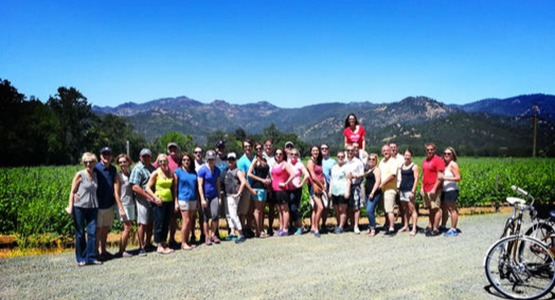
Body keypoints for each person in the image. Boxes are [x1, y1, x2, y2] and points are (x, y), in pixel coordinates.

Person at [65, 152, 102, 266]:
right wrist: (70, 207)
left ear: (95, 163)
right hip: (80, 207)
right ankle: (81, 258)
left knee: (92, 232)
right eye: (86, 162)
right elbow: (72, 192)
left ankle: (91, 257)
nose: (88, 164)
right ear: (83, 163)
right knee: (80, 233)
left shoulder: (96, 175)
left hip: (93, 207)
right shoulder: (80, 174)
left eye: (91, 162)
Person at [146, 154, 176, 254]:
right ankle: (159, 245)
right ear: (158, 163)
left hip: (169, 200)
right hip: (159, 202)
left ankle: (164, 243)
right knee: (159, 223)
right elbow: (147, 188)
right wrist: (155, 198)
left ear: (167, 162)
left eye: (165, 161)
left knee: (166, 223)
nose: (163, 163)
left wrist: (175, 201)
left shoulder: (170, 173)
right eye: (161, 161)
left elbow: (173, 189)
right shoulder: (156, 173)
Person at [129, 148, 156, 256]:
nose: (146, 158)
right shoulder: (138, 168)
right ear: (140, 157)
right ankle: (141, 246)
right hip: (142, 199)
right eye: (144, 156)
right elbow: (135, 186)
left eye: (148, 156)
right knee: (142, 222)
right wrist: (147, 196)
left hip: (152, 198)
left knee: (150, 222)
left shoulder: (152, 168)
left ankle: (148, 243)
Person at [95, 147, 117, 260]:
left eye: (108, 154)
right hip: (98, 205)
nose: (106, 156)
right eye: (104, 154)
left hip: (109, 204)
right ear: (100, 156)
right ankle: (96, 252)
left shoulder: (113, 169)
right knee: (98, 230)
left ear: (112, 156)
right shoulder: (96, 168)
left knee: (105, 229)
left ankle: (103, 250)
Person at [174, 152, 198, 250]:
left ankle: (187, 241)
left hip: (193, 198)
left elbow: (196, 187)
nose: (186, 161)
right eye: (184, 160)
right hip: (183, 199)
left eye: (188, 160)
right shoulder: (177, 172)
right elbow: (175, 188)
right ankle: (183, 243)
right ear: (181, 161)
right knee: (186, 221)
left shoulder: (193, 172)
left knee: (190, 220)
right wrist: (176, 201)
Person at [224, 152, 250, 243]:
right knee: (229, 215)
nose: (231, 161)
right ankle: (233, 232)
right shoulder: (228, 170)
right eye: (229, 159)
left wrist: (238, 193)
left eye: (232, 159)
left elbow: (243, 181)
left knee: (233, 215)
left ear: (235, 161)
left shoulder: (237, 170)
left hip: (233, 196)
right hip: (228, 194)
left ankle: (241, 234)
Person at [198, 150, 222, 245]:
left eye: (213, 159)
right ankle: (207, 236)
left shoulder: (217, 170)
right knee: (205, 217)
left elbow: (218, 184)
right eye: (209, 159)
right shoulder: (202, 170)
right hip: (206, 196)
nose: (211, 161)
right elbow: (200, 185)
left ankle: (213, 234)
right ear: (207, 159)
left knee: (215, 216)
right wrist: (202, 199)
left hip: (214, 195)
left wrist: (219, 197)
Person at [420, 143, 445, 237]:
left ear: (434, 150)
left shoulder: (438, 160)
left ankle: (435, 228)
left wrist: (434, 189)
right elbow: (424, 176)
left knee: (436, 208)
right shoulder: (425, 161)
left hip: (435, 189)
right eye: (427, 150)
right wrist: (422, 187)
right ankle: (430, 226)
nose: (429, 151)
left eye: (431, 149)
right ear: (425, 150)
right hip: (426, 189)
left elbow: (440, 177)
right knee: (430, 209)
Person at [247, 143, 271, 238]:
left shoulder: (264, 160)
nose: (259, 150)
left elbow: (266, 172)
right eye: (257, 149)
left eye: (260, 148)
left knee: (261, 210)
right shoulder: (255, 160)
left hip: (264, 187)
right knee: (257, 210)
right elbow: (249, 173)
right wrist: (261, 180)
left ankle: (261, 229)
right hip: (257, 186)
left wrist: (268, 179)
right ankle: (258, 230)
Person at [114, 154, 135, 257]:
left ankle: (122, 249)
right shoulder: (118, 176)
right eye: (120, 162)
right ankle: (121, 251)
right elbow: (116, 194)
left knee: (128, 227)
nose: (122, 164)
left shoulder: (130, 174)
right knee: (127, 227)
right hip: (123, 204)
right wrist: (120, 208)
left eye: (124, 161)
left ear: (128, 162)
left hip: (131, 203)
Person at [271, 148, 295, 236]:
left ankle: (285, 228)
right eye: (277, 154)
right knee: (279, 210)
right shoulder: (274, 164)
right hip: (275, 189)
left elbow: (293, 174)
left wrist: (285, 183)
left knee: (285, 209)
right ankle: (280, 228)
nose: (278, 155)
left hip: (283, 190)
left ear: (283, 155)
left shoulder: (285, 164)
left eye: (280, 154)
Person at [288, 147, 310, 235]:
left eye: (296, 154)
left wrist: (301, 184)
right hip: (287, 189)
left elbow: (307, 175)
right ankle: (292, 226)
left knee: (294, 208)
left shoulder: (299, 164)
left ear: (298, 155)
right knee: (289, 209)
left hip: (296, 189)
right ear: (289, 155)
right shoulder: (287, 163)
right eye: (292, 154)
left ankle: (299, 226)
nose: (294, 156)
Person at [441, 147, 461, 237]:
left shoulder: (453, 164)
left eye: (449, 154)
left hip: (451, 190)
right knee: (444, 209)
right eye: (445, 153)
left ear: (453, 155)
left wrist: (445, 178)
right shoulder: (445, 164)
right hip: (445, 190)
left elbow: (458, 178)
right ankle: (443, 225)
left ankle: (453, 229)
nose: (446, 155)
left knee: (452, 209)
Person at [398, 149, 419, 236]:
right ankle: (406, 226)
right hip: (402, 190)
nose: (406, 157)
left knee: (412, 209)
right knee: (405, 209)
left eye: (408, 155)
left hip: (409, 190)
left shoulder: (414, 166)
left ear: (411, 156)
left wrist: (413, 191)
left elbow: (416, 179)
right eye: (405, 155)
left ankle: (414, 228)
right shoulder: (402, 166)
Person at [237, 139, 255, 237]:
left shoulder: (253, 158)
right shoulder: (241, 161)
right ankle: (243, 229)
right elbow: (243, 178)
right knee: (243, 211)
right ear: (243, 148)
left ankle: (249, 228)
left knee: (251, 210)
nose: (248, 148)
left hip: (253, 188)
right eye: (246, 146)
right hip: (247, 188)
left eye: (249, 146)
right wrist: (250, 189)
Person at [378, 144, 398, 236]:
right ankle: (387, 224)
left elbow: (392, 175)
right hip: (383, 189)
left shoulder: (393, 161)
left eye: (387, 150)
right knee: (386, 209)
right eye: (384, 151)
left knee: (390, 209)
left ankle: (392, 228)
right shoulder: (382, 161)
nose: (386, 152)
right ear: (382, 152)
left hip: (390, 188)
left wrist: (382, 183)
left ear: (390, 151)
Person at [307, 145, 326, 238]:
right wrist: (322, 186)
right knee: (320, 207)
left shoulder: (318, 161)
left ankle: (313, 227)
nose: (315, 152)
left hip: (319, 186)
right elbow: (313, 176)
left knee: (315, 208)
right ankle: (316, 228)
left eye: (317, 150)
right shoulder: (310, 162)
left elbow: (321, 174)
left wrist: (324, 183)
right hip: (314, 187)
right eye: (314, 150)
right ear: (311, 152)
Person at [345, 144, 364, 234]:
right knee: (348, 207)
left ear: (354, 151)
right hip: (345, 186)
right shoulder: (344, 161)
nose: (350, 152)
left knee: (356, 207)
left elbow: (362, 174)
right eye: (348, 150)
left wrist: (355, 176)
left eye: (351, 150)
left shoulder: (358, 162)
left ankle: (356, 225)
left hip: (355, 185)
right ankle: (351, 224)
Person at [329, 151, 350, 234]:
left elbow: (349, 180)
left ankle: (341, 226)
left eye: (342, 156)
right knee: (336, 209)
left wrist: (347, 191)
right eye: (339, 156)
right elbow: (331, 179)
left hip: (342, 191)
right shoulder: (334, 167)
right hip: (334, 191)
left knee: (342, 210)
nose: (340, 158)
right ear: (336, 157)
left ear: (344, 157)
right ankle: (339, 224)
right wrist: (330, 190)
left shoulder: (347, 167)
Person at [363, 153, 381, 237]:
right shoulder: (369, 169)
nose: (371, 160)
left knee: (369, 210)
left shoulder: (376, 170)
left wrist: (372, 192)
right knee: (368, 210)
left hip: (374, 193)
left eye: (373, 159)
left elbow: (377, 182)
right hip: (367, 192)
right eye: (369, 159)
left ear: (376, 160)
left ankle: (373, 228)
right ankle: (370, 226)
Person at [320, 143, 336, 232]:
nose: (324, 150)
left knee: (326, 206)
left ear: (328, 150)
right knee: (318, 206)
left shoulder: (333, 162)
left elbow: (334, 175)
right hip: (318, 185)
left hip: (329, 186)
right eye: (322, 148)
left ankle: (323, 224)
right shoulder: (317, 160)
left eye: (326, 148)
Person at [263, 139, 277, 236]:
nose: (268, 147)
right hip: (263, 185)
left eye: (270, 145)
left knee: (272, 207)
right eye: (267, 145)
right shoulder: (260, 156)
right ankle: (261, 227)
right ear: (264, 146)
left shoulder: (275, 157)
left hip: (273, 185)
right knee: (262, 208)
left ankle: (270, 227)